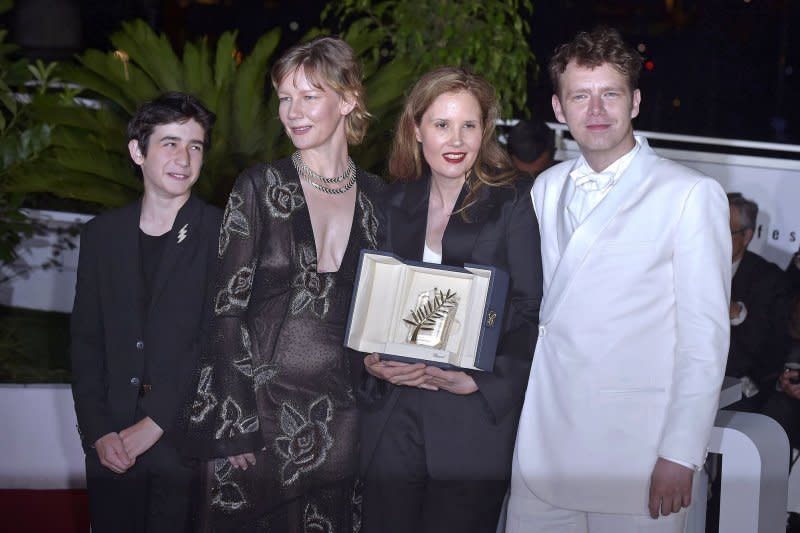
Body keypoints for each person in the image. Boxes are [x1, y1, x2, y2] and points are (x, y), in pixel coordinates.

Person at [508, 27, 731, 533]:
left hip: (638, 453)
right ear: (559, 109)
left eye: (609, 94)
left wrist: (680, 452)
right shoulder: (546, 187)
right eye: (580, 96)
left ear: (633, 101)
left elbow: (705, 340)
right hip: (544, 446)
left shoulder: (690, 194)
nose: (596, 110)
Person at [184, 36, 384, 531]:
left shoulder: (380, 198)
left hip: (346, 419)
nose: (293, 112)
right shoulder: (258, 186)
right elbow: (225, 309)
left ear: (348, 100)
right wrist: (234, 424)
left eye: (308, 96)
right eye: (284, 98)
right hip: (263, 420)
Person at [359, 67, 542, 533]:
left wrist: (485, 382)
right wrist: (371, 360)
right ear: (416, 129)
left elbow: (529, 309)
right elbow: (365, 300)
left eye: (469, 124)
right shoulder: (390, 201)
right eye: (441, 124)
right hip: (394, 413)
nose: (456, 138)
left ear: (485, 131)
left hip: (470, 422)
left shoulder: (513, 201)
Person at [70, 92, 221, 533]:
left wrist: (155, 422)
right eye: (170, 143)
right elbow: (86, 341)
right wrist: (98, 432)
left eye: (195, 146)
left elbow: (217, 339)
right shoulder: (101, 237)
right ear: (138, 151)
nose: (184, 157)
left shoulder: (222, 231)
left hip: (183, 437)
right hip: (110, 444)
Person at [725, 192, 791, 411]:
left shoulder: (769, 280)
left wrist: (736, 314)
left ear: (747, 236)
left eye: (727, 231)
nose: (716, 237)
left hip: (742, 387)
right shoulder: (688, 266)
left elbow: (765, 348)